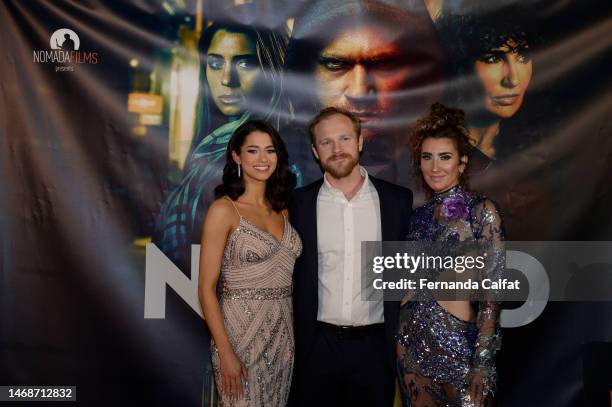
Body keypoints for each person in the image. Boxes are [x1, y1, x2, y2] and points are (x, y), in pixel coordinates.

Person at [289, 107, 413, 406]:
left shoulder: (397, 201)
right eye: (326, 142)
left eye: (344, 138)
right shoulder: (298, 204)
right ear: (315, 151)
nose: (337, 149)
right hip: (317, 347)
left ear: (359, 142)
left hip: (375, 349)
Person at [155, 15, 289, 270]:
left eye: (245, 64)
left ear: (271, 70)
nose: (227, 79)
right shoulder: (208, 150)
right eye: (215, 64)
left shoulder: (281, 158)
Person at [396, 102, 504, 406]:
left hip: (460, 344)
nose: (435, 166)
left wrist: (483, 361)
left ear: (462, 162)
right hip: (410, 345)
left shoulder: (482, 212)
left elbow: (492, 294)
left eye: (445, 157)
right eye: (427, 158)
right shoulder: (416, 216)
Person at [283, 0, 445, 185]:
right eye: (336, 64)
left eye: (383, 65)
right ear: (305, 72)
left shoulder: (466, 178)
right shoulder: (271, 168)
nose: (359, 93)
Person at [198, 119, 302, 406]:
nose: (263, 159)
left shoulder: (282, 209)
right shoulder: (224, 209)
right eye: (253, 151)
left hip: (282, 337)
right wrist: (225, 351)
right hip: (239, 337)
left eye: (270, 151)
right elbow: (206, 289)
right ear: (236, 156)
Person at [437, 8, 535, 162]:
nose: (513, 80)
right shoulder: (427, 147)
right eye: (493, 59)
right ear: (461, 67)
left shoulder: (535, 152)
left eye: (523, 57)